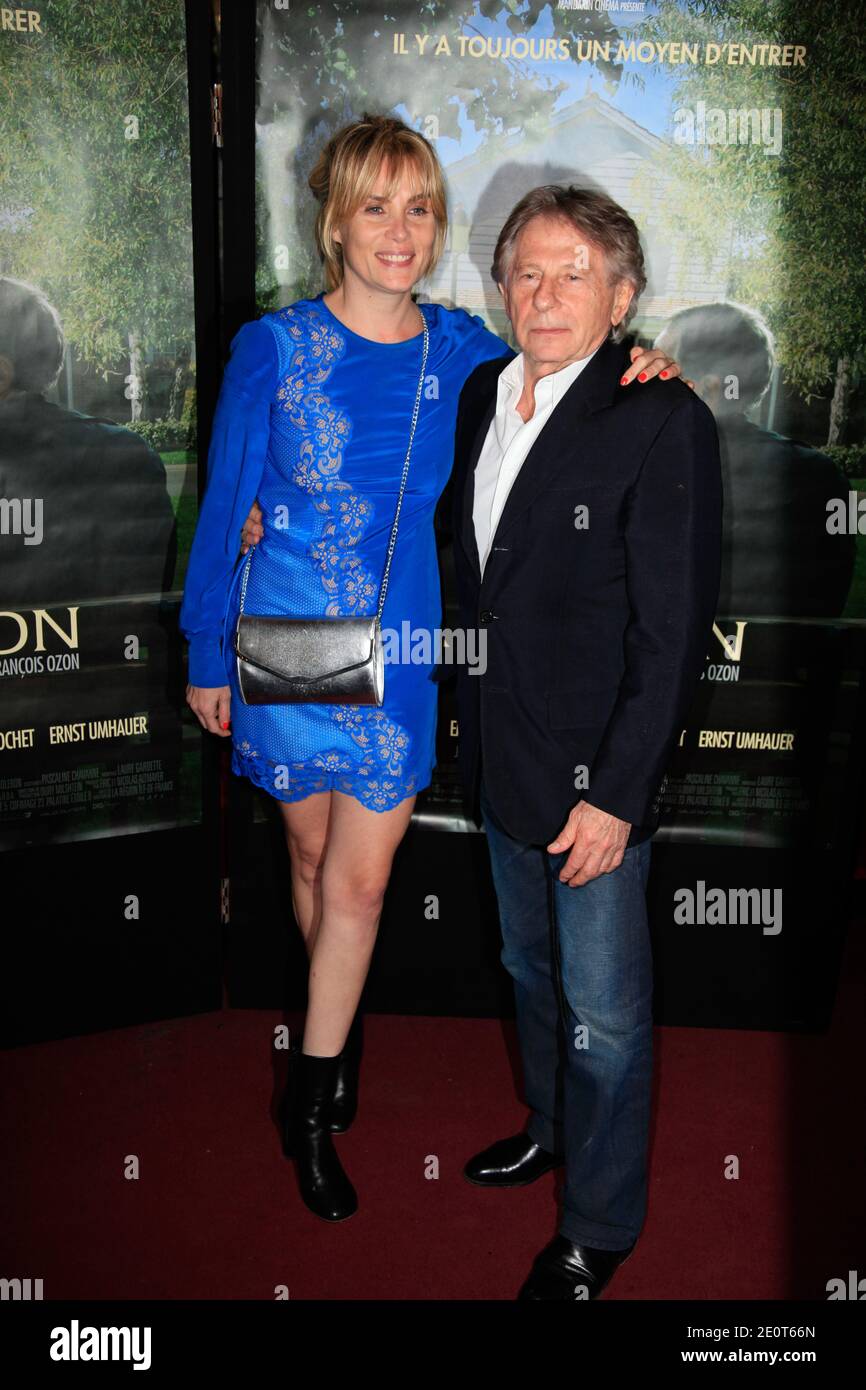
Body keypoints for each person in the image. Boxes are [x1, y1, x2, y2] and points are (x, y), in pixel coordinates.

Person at [181, 116, 684, 1225]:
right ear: (335, 220)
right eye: (375, 208)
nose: (399, 232)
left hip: (402, 647)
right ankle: (336, 1029)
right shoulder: (271, 346)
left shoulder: (461, 348)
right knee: (311, 870)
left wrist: (643, 356)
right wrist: (206, 645)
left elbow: (568, 369)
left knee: (358, 883)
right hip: (289, 636)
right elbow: (226, 508)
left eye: (419, 210)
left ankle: (306, 1109)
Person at [450, 186, 723, 1299]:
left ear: (622, 296)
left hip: (593, 779)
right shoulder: (479, 391)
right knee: (527, 970)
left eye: (573, 272)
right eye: (524, 269)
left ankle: (598, 1225)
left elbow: (670, 634)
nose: (543, 291)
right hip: (499, 753)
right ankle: (550, 1127)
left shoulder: (663, 417)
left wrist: (616, 795)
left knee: (604, 1016)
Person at [654, 301, 854, 617]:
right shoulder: (821, 476)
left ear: (708, 387)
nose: (644, 378)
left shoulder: (651, 468)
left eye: (660, 369)